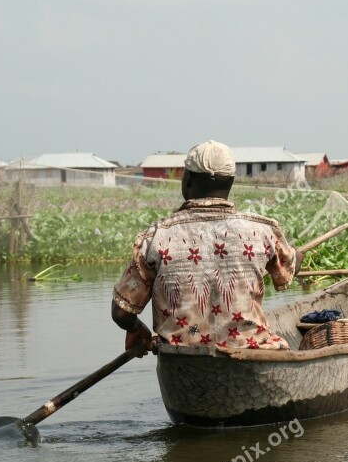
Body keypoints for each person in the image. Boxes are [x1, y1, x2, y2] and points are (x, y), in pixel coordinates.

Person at [111, 140, 303, 356]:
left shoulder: (155, 237)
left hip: (182, 357)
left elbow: (121, 313)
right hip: (251, 352)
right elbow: (286, 274)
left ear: (188, 179)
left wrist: (137, 328)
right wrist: (298, 256)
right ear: (231, 181)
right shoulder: (264, 231)